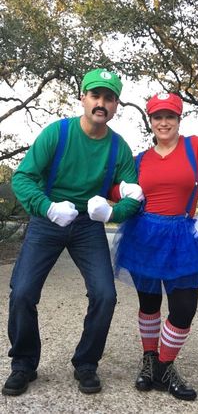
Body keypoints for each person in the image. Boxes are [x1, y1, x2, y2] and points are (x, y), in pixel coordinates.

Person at [1, 68, 144, 397]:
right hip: (48, 220)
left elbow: (134, 196)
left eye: (109, 98)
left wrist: (111, 212)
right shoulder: (58, 133)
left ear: (115, 105)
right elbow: (23, 178)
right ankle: (24, 363)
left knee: (105, 295)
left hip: (87, 226)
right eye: (95, 95)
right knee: (22, 292)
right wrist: (47, 207)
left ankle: (86, 363)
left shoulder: (118, 148)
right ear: (83, 97)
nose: (101, 103)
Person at [112, 93, 198, 401]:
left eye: (170, 116)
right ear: (150, 122)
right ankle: (149, 361)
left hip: (181, 236)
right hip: (144, 235)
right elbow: (117, 189)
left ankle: (164, 366)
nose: (163, 122)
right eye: (157, 117)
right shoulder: (139, 159)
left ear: (179, 120)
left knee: (183, 308)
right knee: (149, 304)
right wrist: (121, 190)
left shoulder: (195, 147)